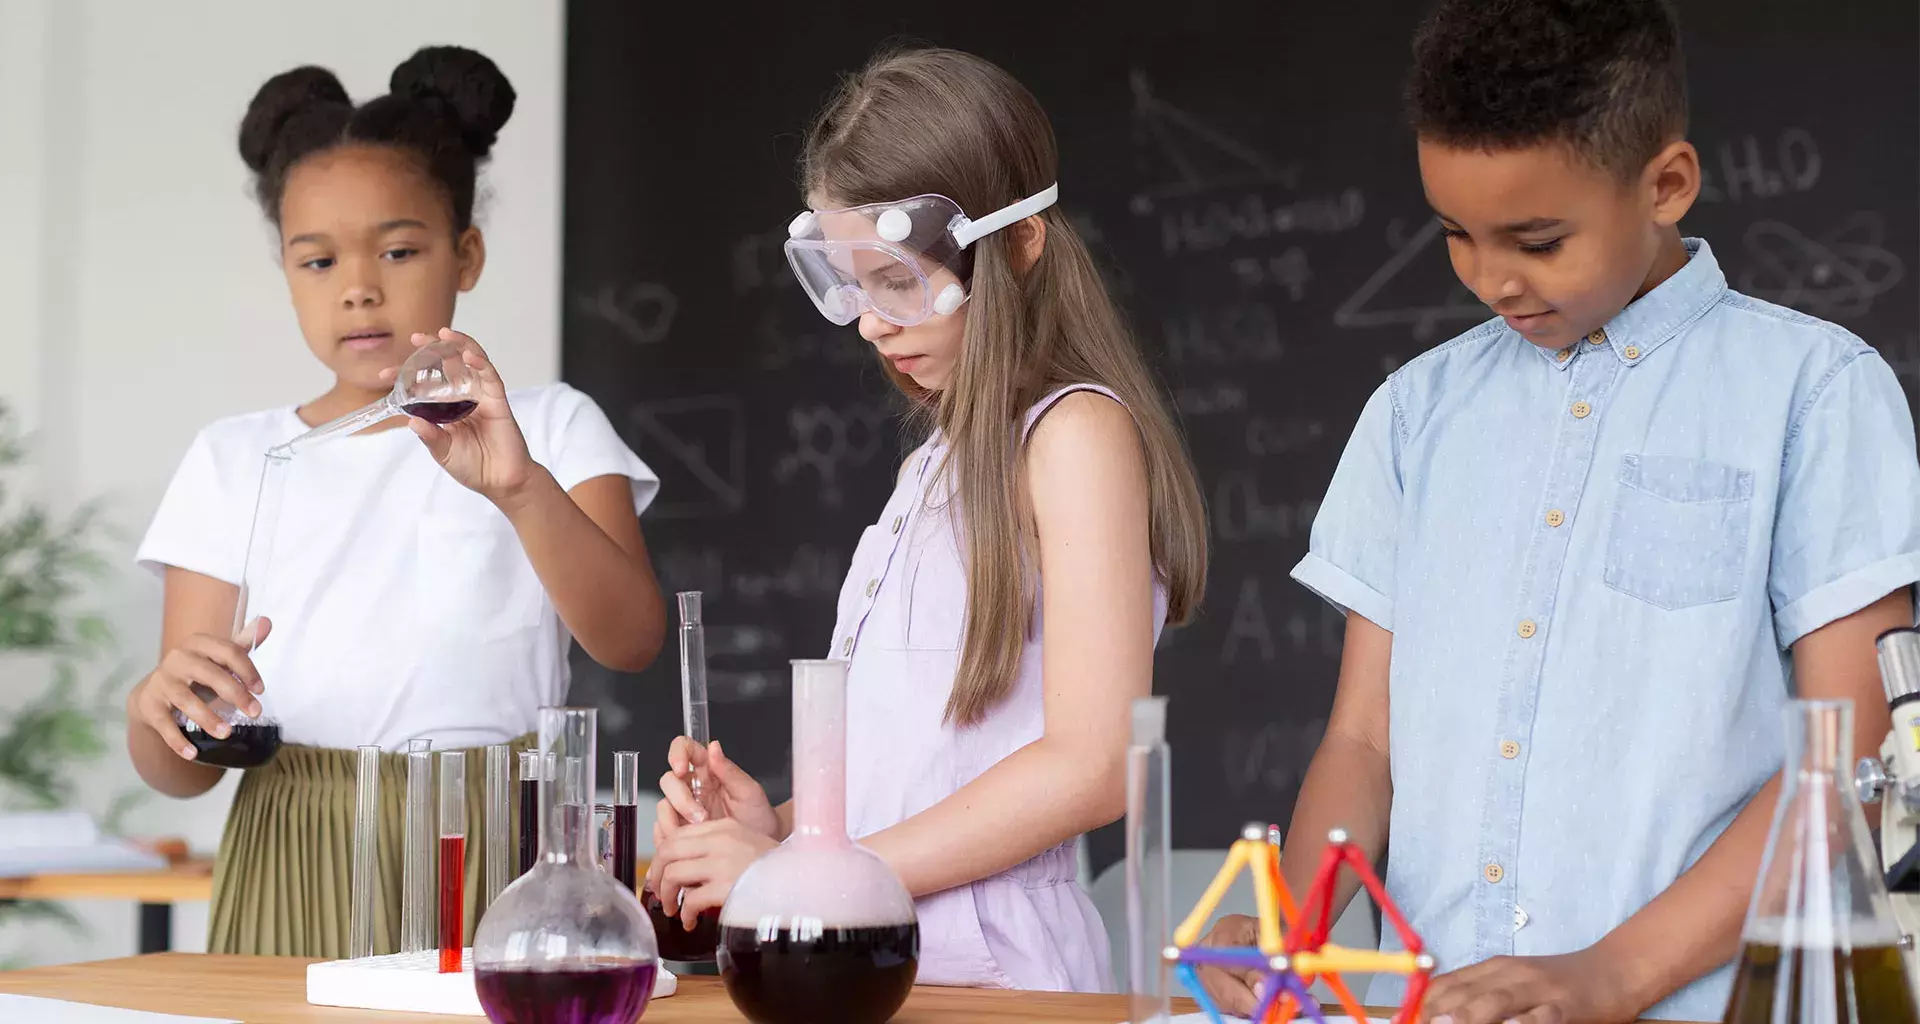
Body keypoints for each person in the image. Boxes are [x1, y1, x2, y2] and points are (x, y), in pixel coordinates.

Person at [1197, 1, 1920, 1020]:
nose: (1492, 278)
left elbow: (1847, 755)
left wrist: (1611, 973)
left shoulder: (1815, 392)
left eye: (1538, 239)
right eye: (1455, 235)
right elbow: (1364, 739)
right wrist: (1295, 921)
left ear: (1665, 184)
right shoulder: (1415, 414)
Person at [645, 46, 1209, 992]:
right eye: (850, 284)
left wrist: (804, 877)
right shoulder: (929, 467)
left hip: (1003, 976)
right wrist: (780, 830)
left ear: (1019, 244)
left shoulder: (1074, 435)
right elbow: (925, 766)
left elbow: (1096, 762)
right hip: (875, 955)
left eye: (900, 281)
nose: (873, 322)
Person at [126, 46, 666, 957]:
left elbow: (633, 639)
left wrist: (520, 488)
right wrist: (159, 707)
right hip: (295, 841)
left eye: (400, 248)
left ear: (468, 254)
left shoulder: (551, 428)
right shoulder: (232, 458)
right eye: (318, 259)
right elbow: (181, 771)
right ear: (288, 274)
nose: (359, 285)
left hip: (503, 845)